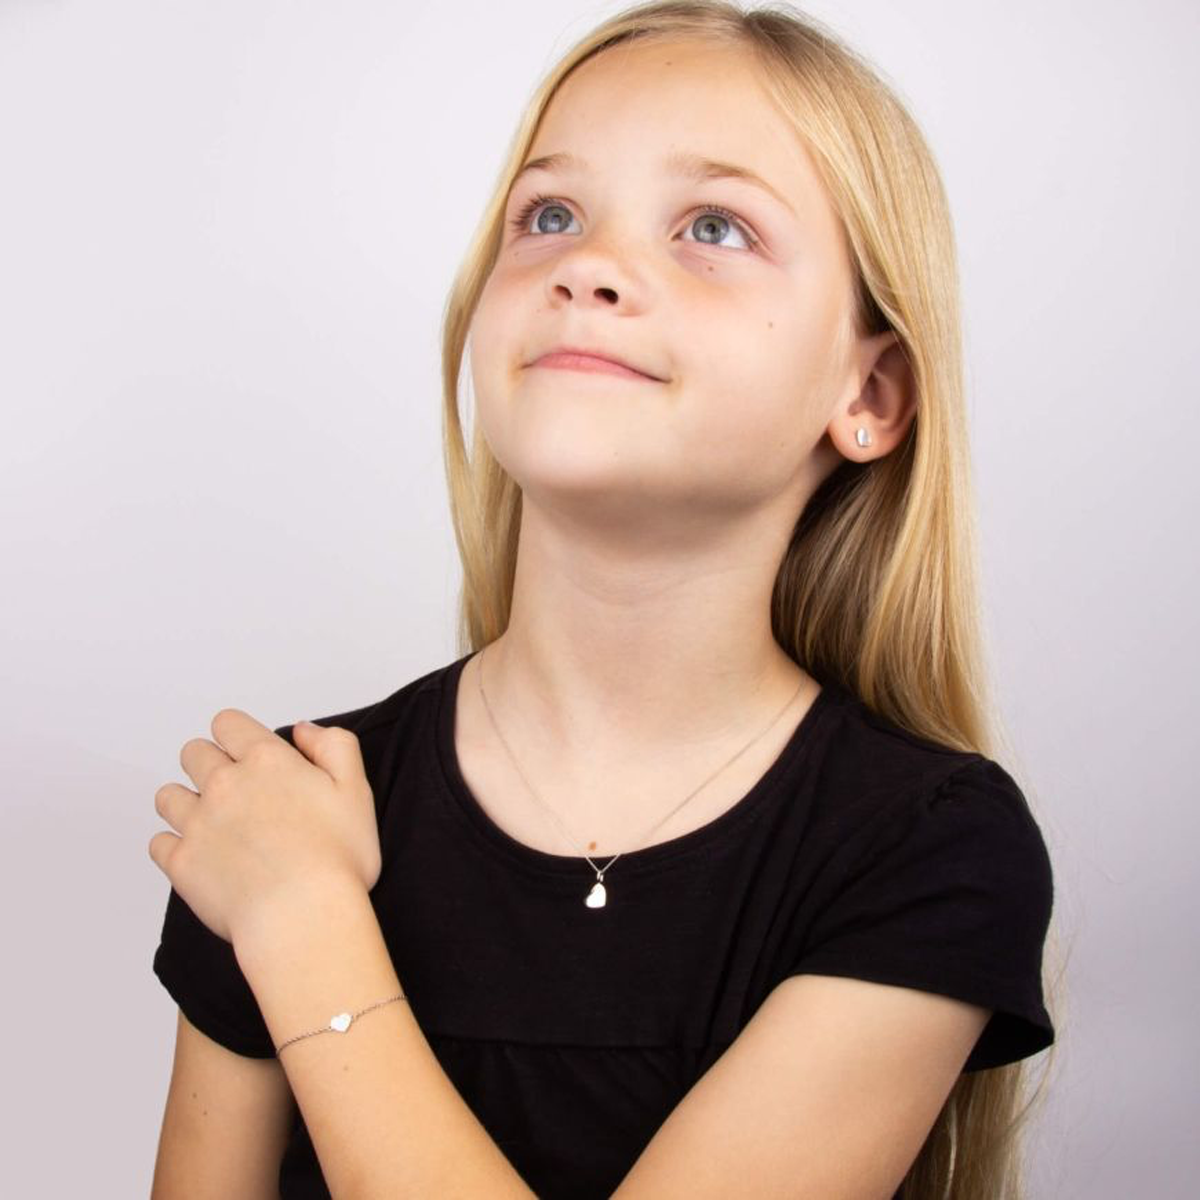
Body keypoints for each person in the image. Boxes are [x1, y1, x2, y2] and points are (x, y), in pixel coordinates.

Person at [149, 3, 1060, 1197]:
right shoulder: (284, 804)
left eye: (715, 226)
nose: (587, 266)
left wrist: (304, 928)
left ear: (870, 394)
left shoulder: (929, 849)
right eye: (551, 215)